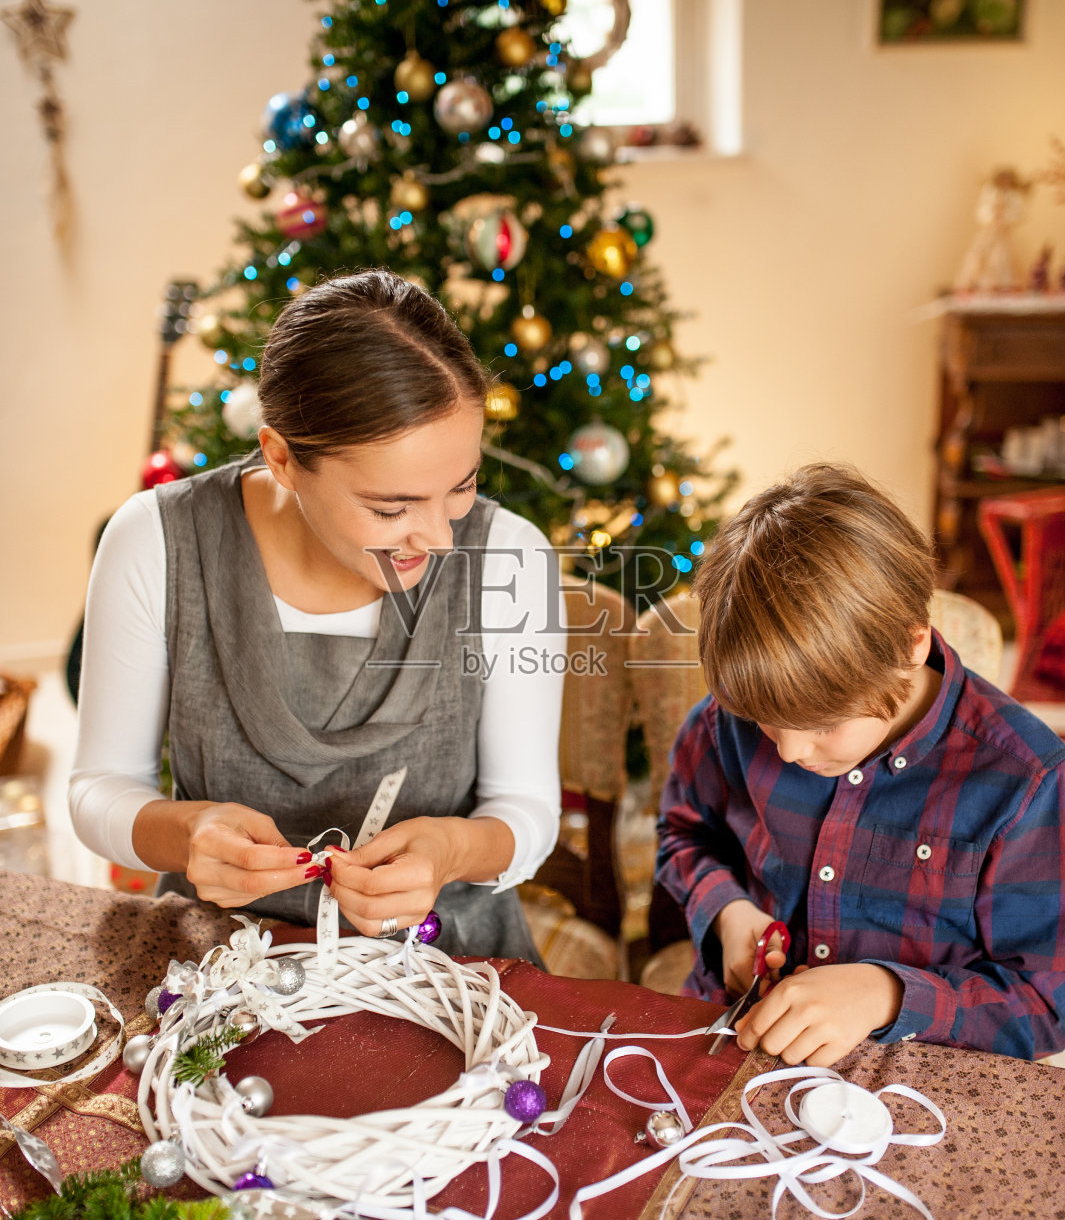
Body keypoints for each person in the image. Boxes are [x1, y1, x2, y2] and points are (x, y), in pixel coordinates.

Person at [70, 270, 564, 961]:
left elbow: (528, 811)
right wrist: (187, 834)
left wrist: (450, 850)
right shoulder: (155, 539)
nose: (442, 538)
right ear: (281, 458)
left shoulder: (509, 556)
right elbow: (99, 789)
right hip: (217, 967)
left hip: (446, 959)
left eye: (461, 485)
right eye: (391, 508)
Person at [655, 462, 1065, 1062]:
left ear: (910, 644)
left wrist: (887, 995)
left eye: (823, 723)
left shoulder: (1027, 781)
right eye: (768, 721)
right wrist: (728, 912)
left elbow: (1047, 1002)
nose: (790, 751)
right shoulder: (726, 723)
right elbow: (683, 834)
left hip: (915, 1089)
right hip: (734, 1044)